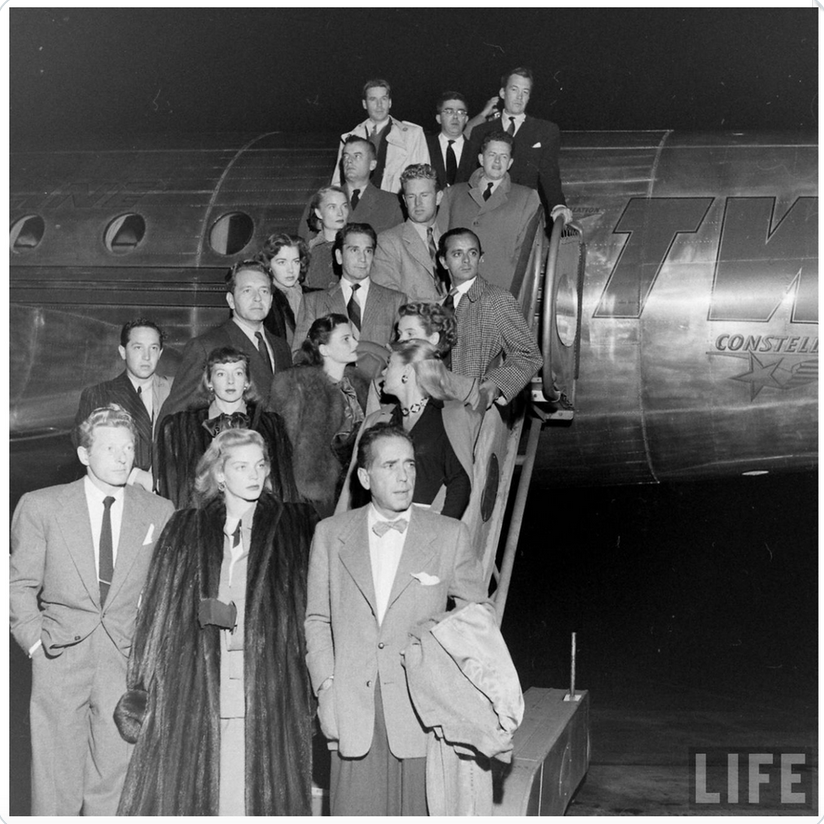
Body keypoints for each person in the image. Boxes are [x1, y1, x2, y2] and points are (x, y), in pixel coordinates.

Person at [115, 429, 317, 815]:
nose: (254, 474)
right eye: (241, 466)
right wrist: (140, 688)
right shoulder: (185, 527)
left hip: (270, 692)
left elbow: (314, 612)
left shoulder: (297, 526)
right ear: (220, 475)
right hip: (196, 690)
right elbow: (155, 616)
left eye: (260, 464)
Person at [305, 423, 487, 815]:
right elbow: (317, 619)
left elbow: (478, 617)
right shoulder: (329, 534)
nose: (405, 476)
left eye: (410, 464)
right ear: (366, 477)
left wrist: (445, 674)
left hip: (422, 714)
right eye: (390, 466)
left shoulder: (449, 534)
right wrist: (326, 687)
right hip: (352, 710)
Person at [10, 405, 174, 815]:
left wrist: (148, 655)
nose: (122, 457)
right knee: (54, 780)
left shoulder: (158, 511)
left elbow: (164, 591)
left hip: (124, 660)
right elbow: (18, 585)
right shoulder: (41, 506)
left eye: (129, 447)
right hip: (59, 657)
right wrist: (34, 644)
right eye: (110, 448)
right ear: (84, 454)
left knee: (116, 780)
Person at [342, 339, 476, 519]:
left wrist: (442, 530)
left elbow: (460, 481)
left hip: (426, 526)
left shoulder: (449, 415)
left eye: (389, 365)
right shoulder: (381, 420)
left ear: (407, 371)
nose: (383, 371)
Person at [154, 346, 298, 508]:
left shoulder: (272, 426)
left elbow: (286, 488)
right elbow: (173, 492)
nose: (231, 381)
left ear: (247, 381)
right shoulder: (179, 428)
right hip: (201, 524)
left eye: (238, 373)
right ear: (209, 381)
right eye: (221, 374)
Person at [157, 260, 292, 423]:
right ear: (230, 300)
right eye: (247, 291)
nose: (257, 298)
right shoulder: (206, 346)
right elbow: (172, 417)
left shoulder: (281, 347)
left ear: (271, 300)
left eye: (264, 291)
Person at [271, 314, 369, 516]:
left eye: (353, 337)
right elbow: (283, 443)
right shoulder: (300, 389)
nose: (356, 343)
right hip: (317, 491)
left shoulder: (361, 387)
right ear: (324, 349)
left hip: (357, 487)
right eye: (346, 339)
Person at [439, 228, 543, 409]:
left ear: (480, 258)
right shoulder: (439, 304)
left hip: (473, 409)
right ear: (443, 261)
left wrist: (495, 385)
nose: (466, 260)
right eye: (457, 254)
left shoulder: (496, 299)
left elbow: (529, 355)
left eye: (472, 253)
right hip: (439, 407)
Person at [293, 222, 407, 377]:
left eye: (368, 251)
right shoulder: (313, 302)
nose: (362, 258)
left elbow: (404, 356)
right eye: (354, 250)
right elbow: (299, 356)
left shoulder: (395, 301)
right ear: (339, 256)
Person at [437, 130, 542, 295]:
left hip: (501, 293)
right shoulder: (453, 195)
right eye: (492, 154)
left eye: (504, 156)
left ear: (510, 162)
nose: (498, 161)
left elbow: (527, 257)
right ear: (481, 159)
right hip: (457, 293)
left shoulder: (526, 197)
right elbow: (440, 241)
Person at [466, 66, 573, 224]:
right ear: (503, 93)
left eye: (525, 92)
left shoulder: (546, 130)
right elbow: (468, 176)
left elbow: (549, 173)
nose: (519, 97)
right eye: (514, 89)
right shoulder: (480, 132)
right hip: (486, 213)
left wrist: (558, 205)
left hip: (524, 213)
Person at [74, 318, 171, 492]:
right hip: (121, 491)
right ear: (123, 351)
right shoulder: (98, 394)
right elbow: (84, 445)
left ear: (160, 353)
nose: (147, 356)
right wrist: (136, 475)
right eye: (138, 347)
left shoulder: (176, 391)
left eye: (153, 348)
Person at [331, 78, 429, 194]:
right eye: (373, 99)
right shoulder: (349, 138)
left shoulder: (412, 135)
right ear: (364, 104)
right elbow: (338, 181)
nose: (379, 105)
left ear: (390, 102)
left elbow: (424, 180)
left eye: (384, 99)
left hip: (396, 204)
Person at [371, 163, 449, 302]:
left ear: (438, 197)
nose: (418, 203)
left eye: (424, 195)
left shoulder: (449, 240)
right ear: (405, 201)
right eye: (411, 196)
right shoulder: (387, 242)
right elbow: (388, 299)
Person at [256, 232, 314, 343]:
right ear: (269, 266)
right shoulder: (264, 299)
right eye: (282, 262)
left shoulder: (315, 296)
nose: (290, 269)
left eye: (295, 262)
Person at [424, 92, 476, 189]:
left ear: (466, 119)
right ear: (438, 118)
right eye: (449, 112)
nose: (455, 116)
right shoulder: (425, 146)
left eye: (461, 112)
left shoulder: (476, 150)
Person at [302, 186, 350, 288]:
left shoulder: (356, 245)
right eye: (332, 207)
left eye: (344, 206)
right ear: (319, 213)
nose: (340, 213)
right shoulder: (310, 250)